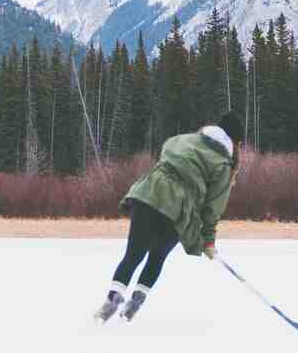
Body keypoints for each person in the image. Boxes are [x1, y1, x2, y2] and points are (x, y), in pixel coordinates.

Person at [96, 110, 244, 323]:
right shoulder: (223, 165)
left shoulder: (183, 139)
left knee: (133, 254)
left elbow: (166, 150)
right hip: (179, 210)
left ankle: (111, 301)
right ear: (234, 142)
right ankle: (134, 305)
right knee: (157, 257)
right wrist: (208, 240)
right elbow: (213, 208)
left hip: (150, 194)